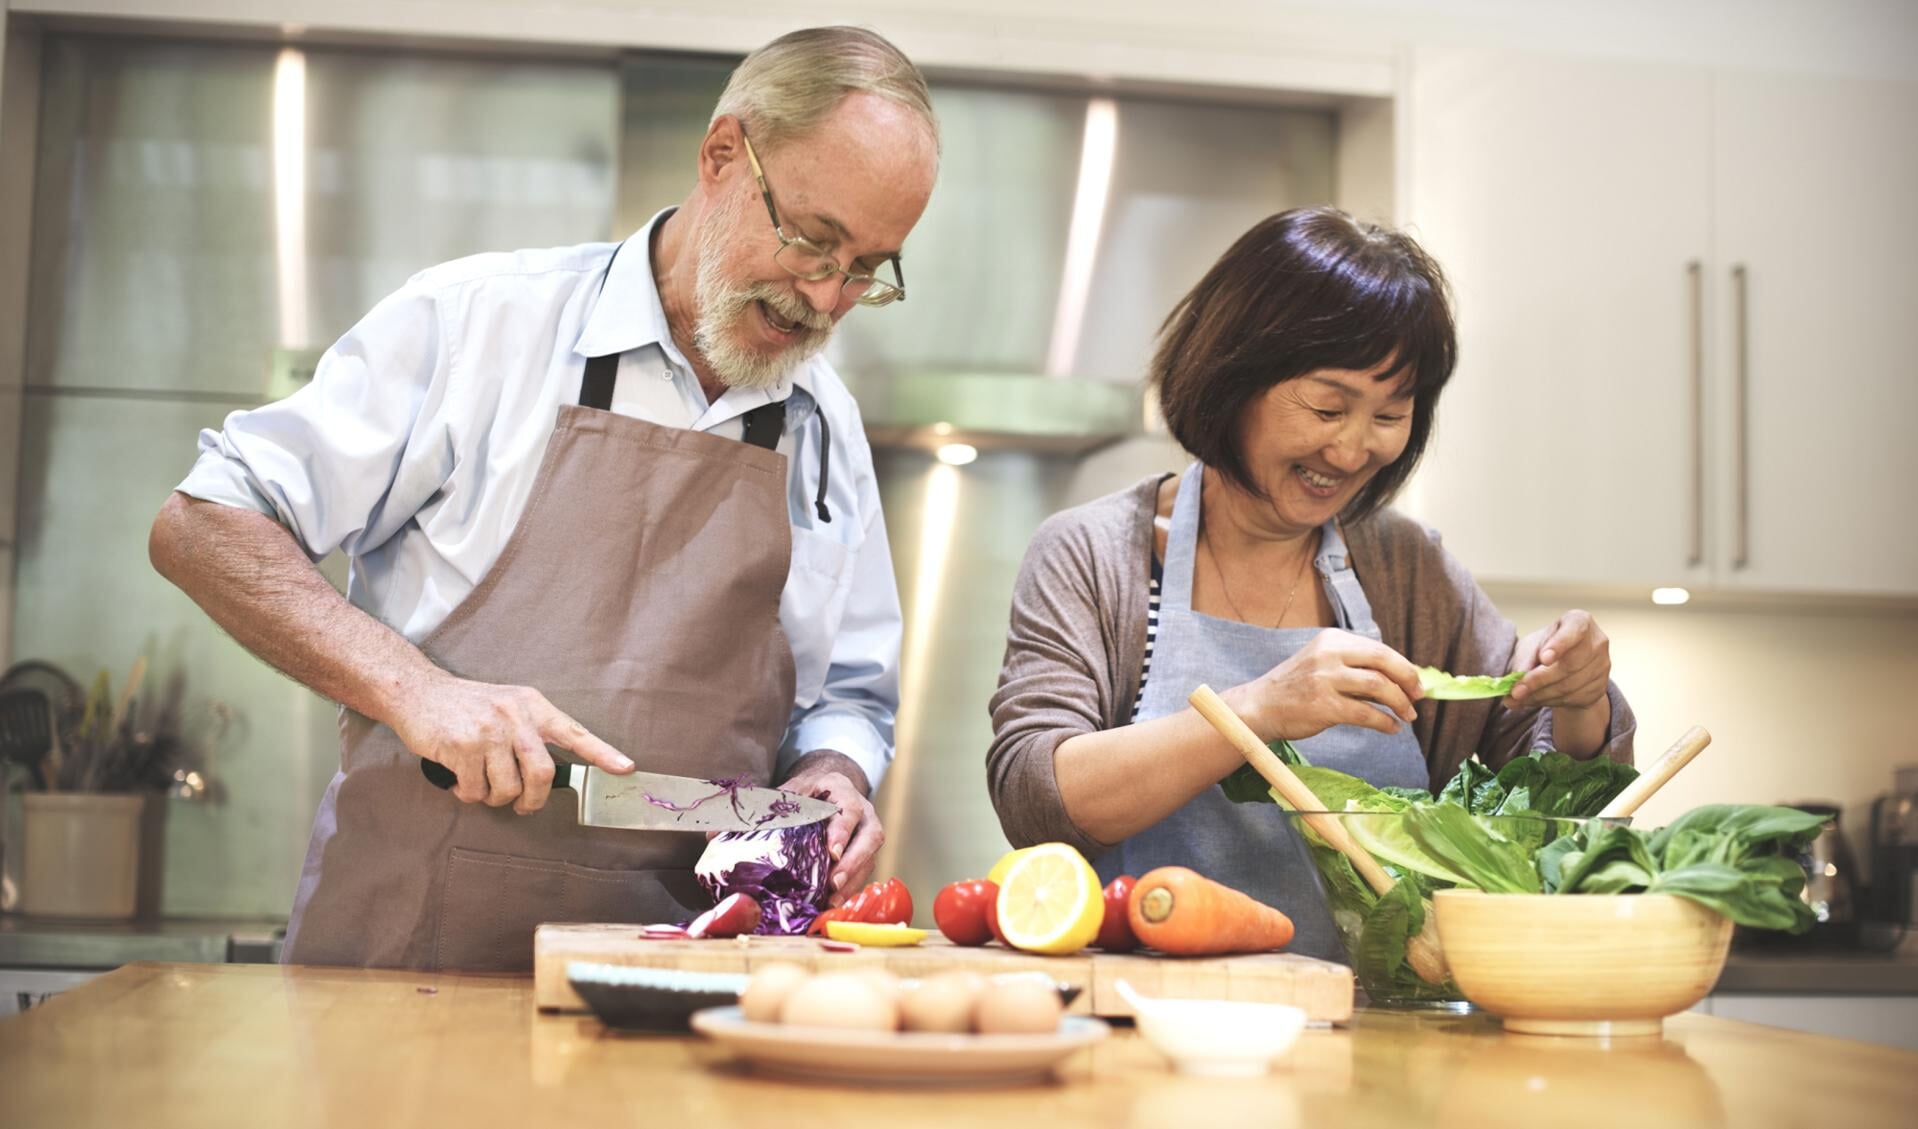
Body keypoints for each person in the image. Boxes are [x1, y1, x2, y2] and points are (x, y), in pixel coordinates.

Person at [148, 27, 939, 971]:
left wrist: (833, 772)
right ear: (724, 154)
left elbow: (849, 693)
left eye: (868, 268)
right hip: (405, 971)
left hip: (674, 984)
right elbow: (204, 520)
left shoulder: (824, 425)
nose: (828, 292)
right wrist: (416, 690)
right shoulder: (476, 324)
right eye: (813, 239)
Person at [985, 207, 1634, 963]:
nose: (1356, 448)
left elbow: (1545, 795)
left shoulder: (1405, 566)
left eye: (1390, 414)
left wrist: (1581, 697)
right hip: (1153, 1018)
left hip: (1384, 1030)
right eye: (1328, 407)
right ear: (1235, 378)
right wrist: (1259, 709)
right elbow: (1038, 797)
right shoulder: (1095, 555)